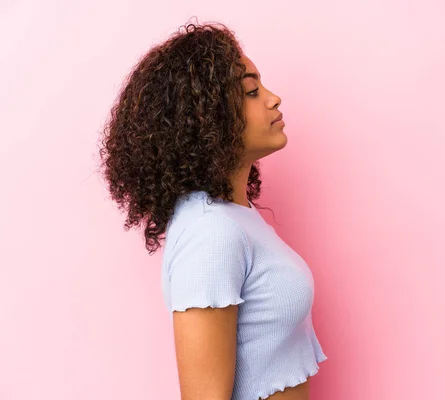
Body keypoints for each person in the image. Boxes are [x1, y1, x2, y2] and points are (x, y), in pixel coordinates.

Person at [98, 20, 327, 400]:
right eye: (251, 91)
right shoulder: (210, 232)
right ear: (206, 116)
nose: (273, 98)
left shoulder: (235, 216)